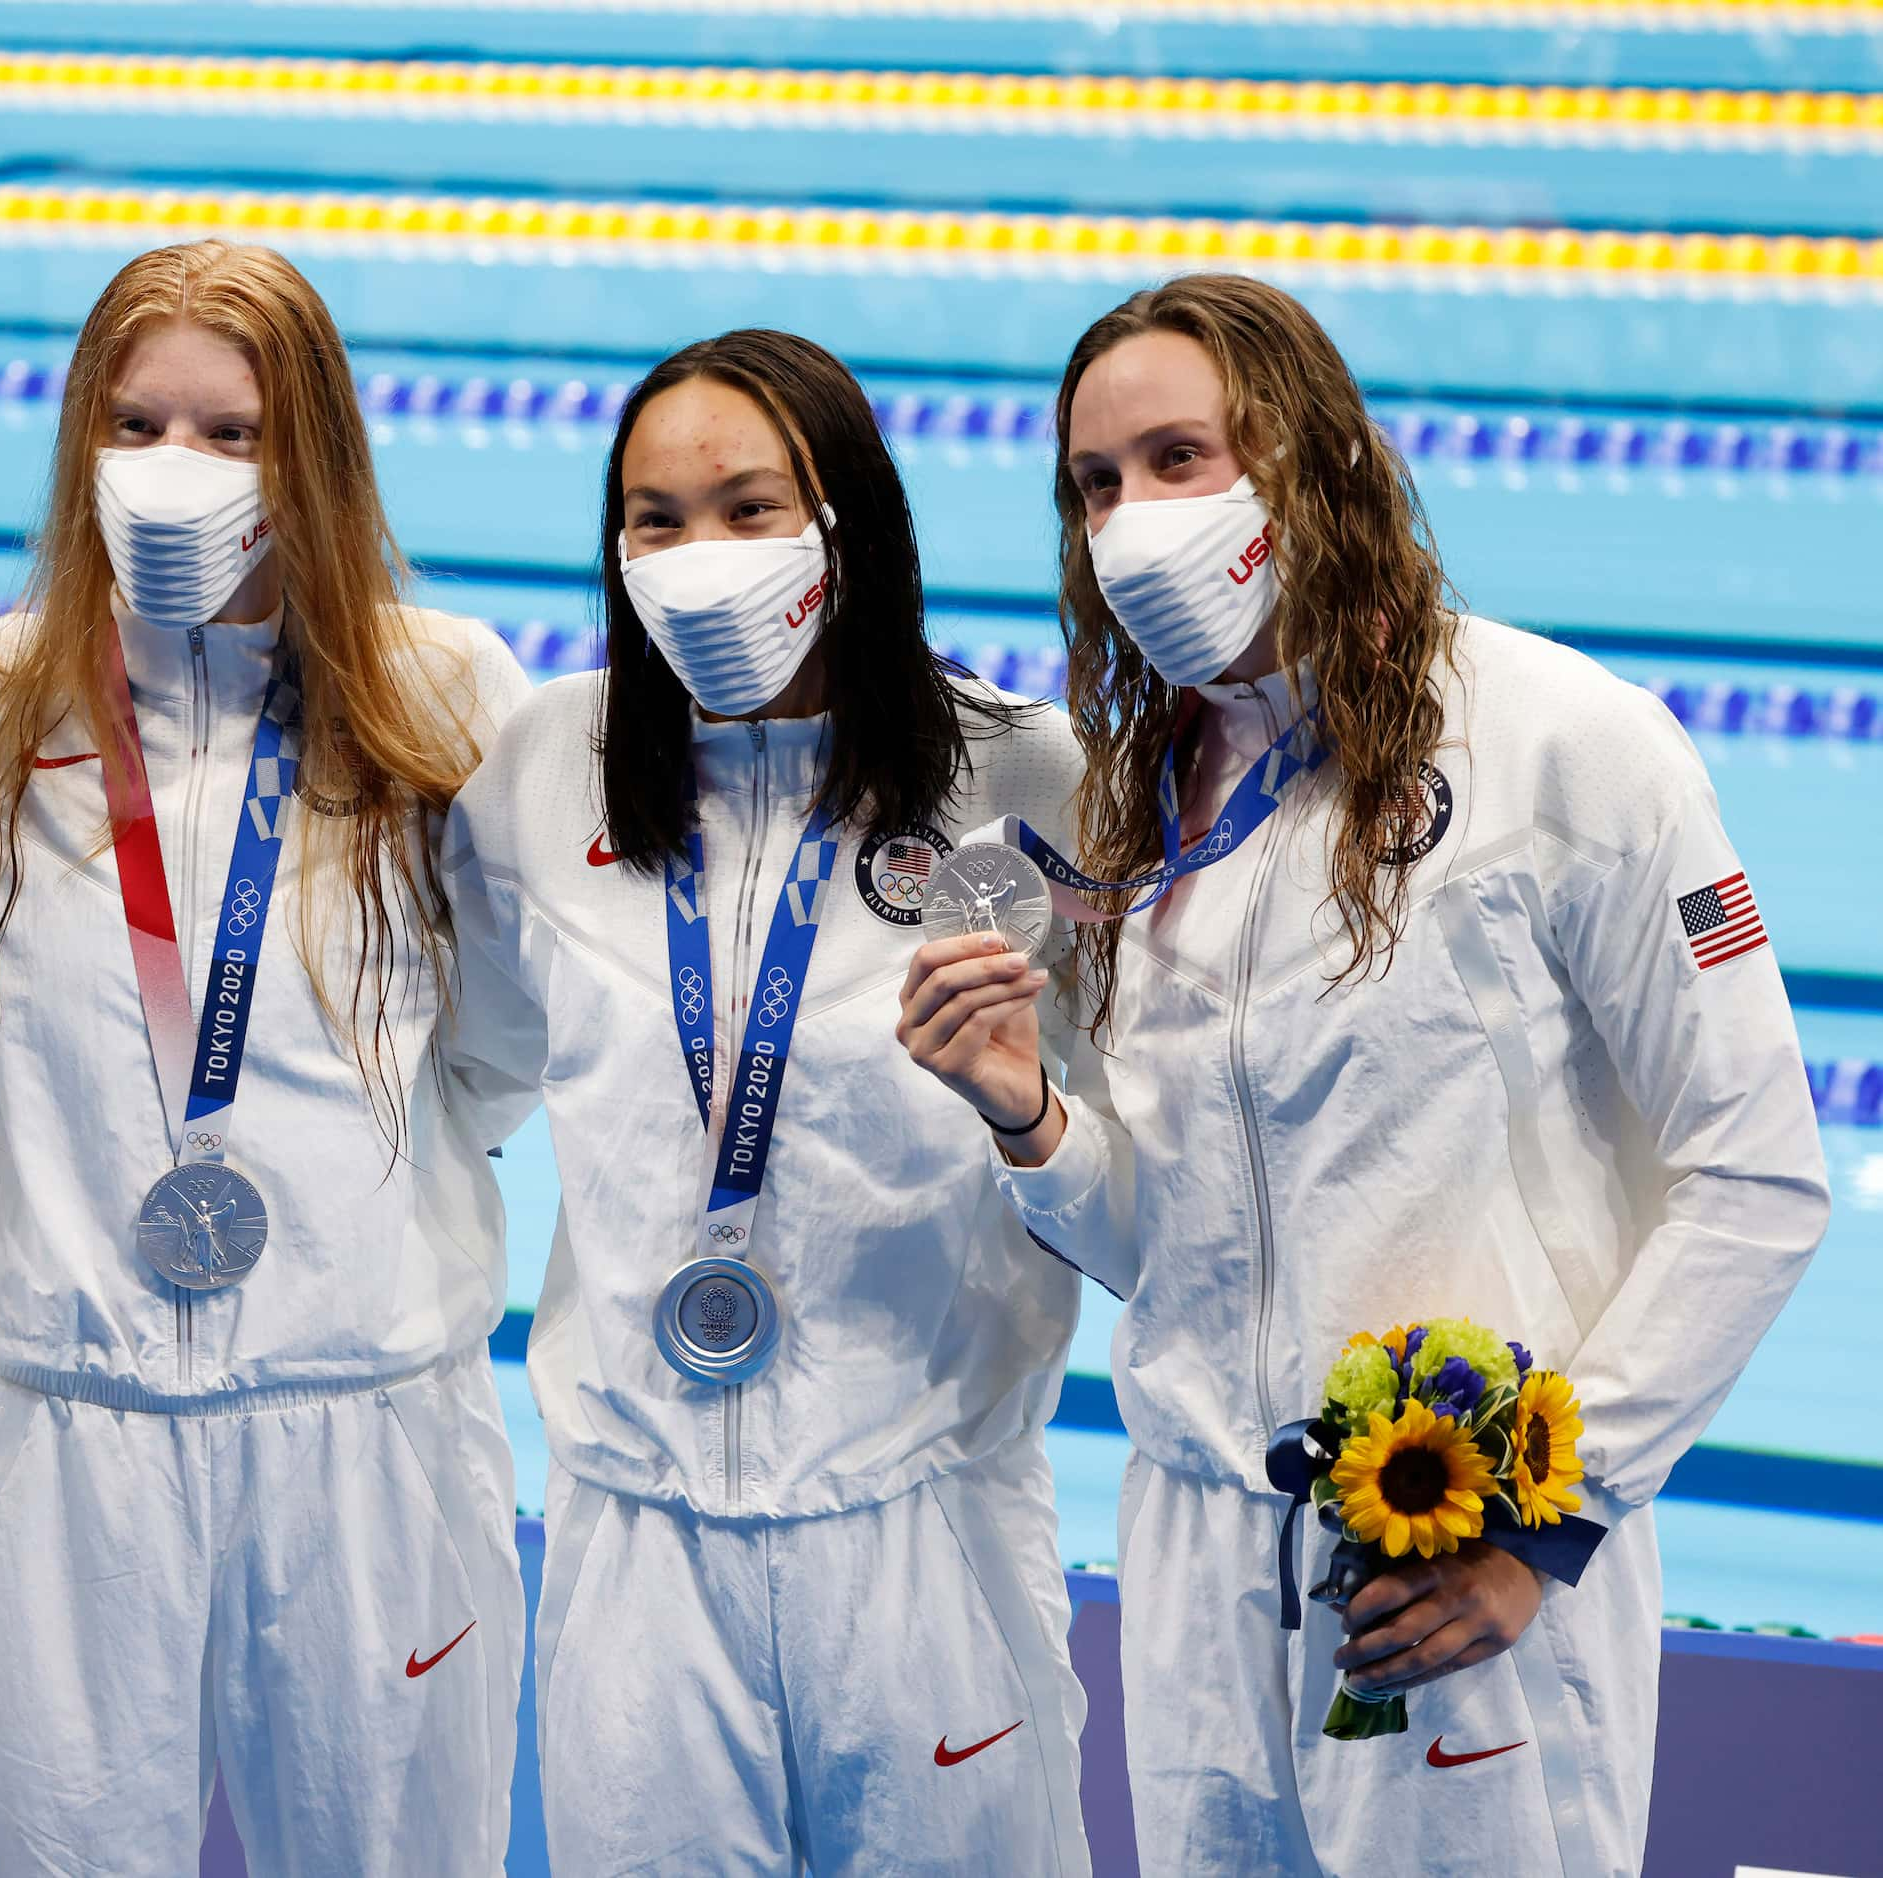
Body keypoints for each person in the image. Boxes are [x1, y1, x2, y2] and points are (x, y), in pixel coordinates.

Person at [897, 273, 1830, 1875]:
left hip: (1455, 1559)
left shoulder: (1563, 742)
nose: (1131, 519)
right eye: (1095, 484)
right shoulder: (1143, 812)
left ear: (1307, 456)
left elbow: (1754, 1179)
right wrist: (1030, 1117)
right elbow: (1170, 1251)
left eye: (1178, 459)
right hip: (1195, 1562)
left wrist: (1547, 1523)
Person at [0, 239, 532, 1875]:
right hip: (58, 1429)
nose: (170, 473)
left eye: (231, 433)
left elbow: (505, 1055)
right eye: (134, 425)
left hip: (367, 1425)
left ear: (311, 452)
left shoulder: (442, 693)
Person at [443, 328, 1096, 1875]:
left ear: (846, 522)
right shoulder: (547, 765)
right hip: (634, 1535)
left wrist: (1024, 1124)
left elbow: (1125, 1172)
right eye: (656, 518)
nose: (697, 558)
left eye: (747, 507)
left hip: (920, 1520)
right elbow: (469, 1070)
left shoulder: (1021, 780)